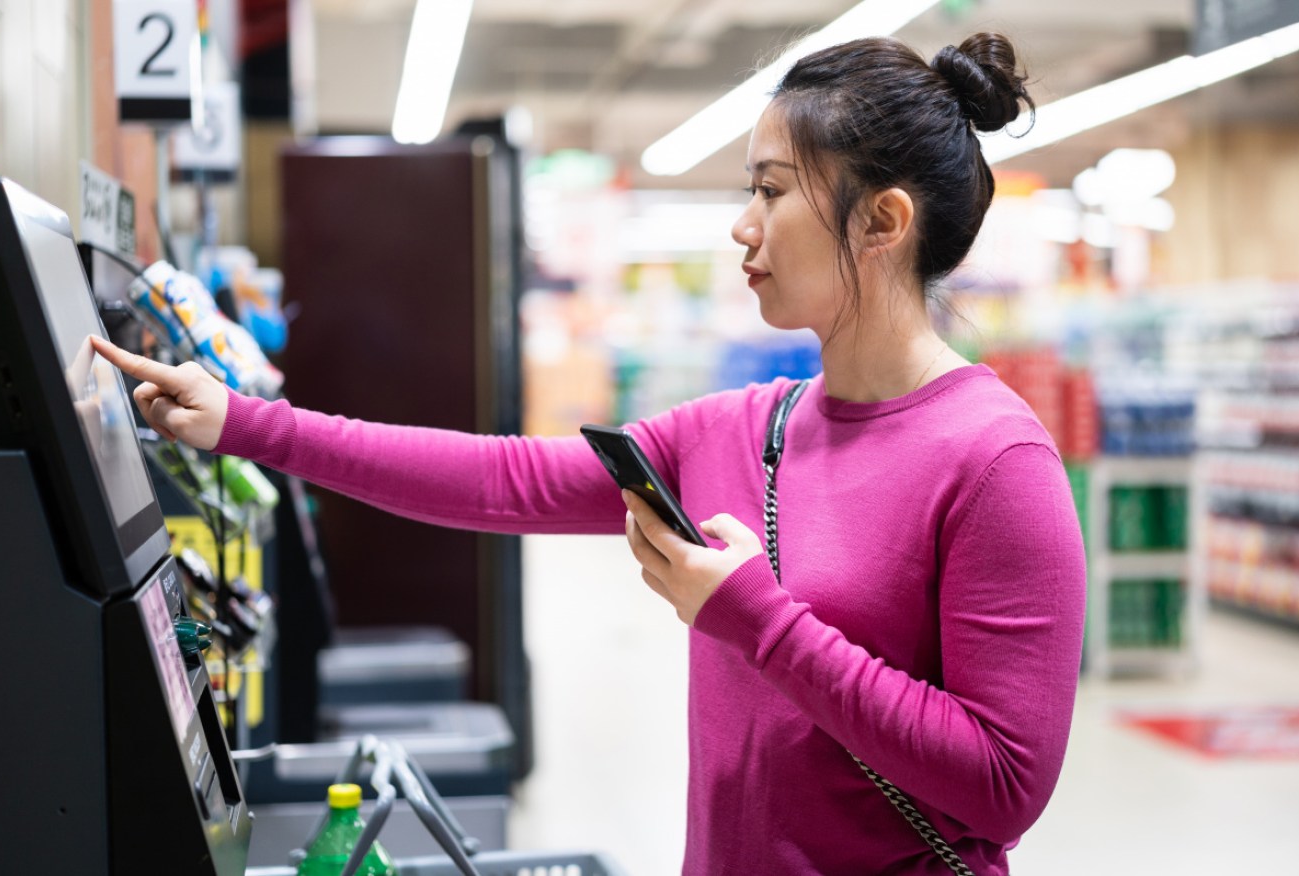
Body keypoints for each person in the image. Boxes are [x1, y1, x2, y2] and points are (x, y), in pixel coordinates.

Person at [94, 31, 1085, 876]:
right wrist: (245, 424)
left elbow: (1003, 787)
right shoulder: (746, 429)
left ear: (882, 221)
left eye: (771, 190)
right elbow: (498, 479)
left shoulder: (993, 463)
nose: (742, 225)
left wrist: (760, 624)